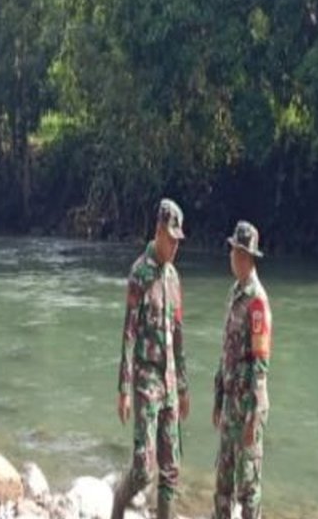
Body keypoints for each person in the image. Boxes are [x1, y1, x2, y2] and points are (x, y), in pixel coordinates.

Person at [112, 198, 189, 519]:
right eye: (170, 239)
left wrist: (183, 387)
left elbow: (179, 334)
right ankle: (119, 501)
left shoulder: (173, 278)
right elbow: (128, 334)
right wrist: (123, 389)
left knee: (171, 470)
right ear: (158, 231)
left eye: (178, 241)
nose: (174, 246)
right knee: (144, 468)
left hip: (170, 382)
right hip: (145, 383)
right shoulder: (139, 274)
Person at [212, 221, 271, 519]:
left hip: (247, 409)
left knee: (248, 487)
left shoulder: (257, 302)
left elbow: (260, 367)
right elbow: (227, 352)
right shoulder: (235, 292)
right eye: (232, 250)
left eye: (235, 251)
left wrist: (252, 419)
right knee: (223, 479)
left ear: (247, 257)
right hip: (230, 406)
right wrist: (217, 399)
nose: (231, 256)